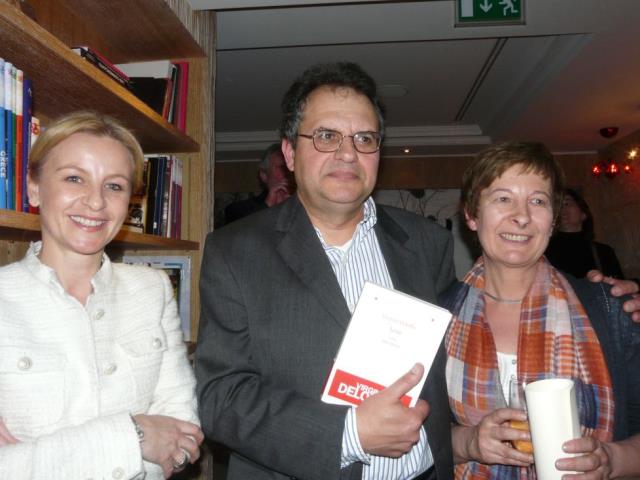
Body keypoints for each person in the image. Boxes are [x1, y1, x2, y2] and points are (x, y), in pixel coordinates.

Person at [196, 62, 456, 480]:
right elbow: (220, 399)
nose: (348, 152)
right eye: (326, 136)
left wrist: (593, 295)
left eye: (364, 138)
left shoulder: (427, 243)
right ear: (289, 154)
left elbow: (461, 341)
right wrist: (349, 432)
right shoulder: (234, 252)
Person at [0, 111, 204, 479]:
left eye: (114, 186)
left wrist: (38, 458)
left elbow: (183, 435)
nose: (95, 202)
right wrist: (136, 436)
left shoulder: (153, 289)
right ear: (33, 187)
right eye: (74, 178)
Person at [443, 141, 640, 479]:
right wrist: (466, 442)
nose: (521, 216)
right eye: (503, 198)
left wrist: (613, 460)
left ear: (552, 221)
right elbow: (411, 432)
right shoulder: (436, 316)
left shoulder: (610, 308)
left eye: (537, 201)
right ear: (472, 215)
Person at [545, 188, 625, 279]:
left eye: (567, 203)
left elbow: (619, 286)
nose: (561, 208)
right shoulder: (543, 250)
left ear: (583, 214)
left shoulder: (604, 252)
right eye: (557, 205)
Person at [222, 142, 295, 224]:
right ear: (264, 175)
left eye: (292, 167)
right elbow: (240, 233)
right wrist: (267, 205)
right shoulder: (238, 210)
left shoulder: (303, 204)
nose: (289, 172)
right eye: (283, 167)